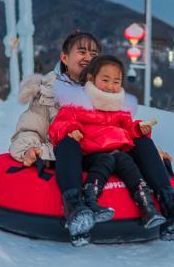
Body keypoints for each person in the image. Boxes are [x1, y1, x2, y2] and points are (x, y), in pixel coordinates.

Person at [9, 31, 174, 244]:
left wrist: (153, 151)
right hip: (70, 157)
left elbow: (122, 129)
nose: (88, 57)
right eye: (81, 51)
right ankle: (73, 207)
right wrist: (32, 149)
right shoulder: (47, 94)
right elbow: (28, 130)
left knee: (142, 141)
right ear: (64, 58)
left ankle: (170, 205)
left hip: (110, 154)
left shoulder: (105, 90)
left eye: (93, 53)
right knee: (69, 142)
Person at [48, 55, 166, 244]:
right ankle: (75, 205)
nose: (111, 86)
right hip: (89, 154)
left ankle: (160, 203)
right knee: (83, 151)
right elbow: (57, 127)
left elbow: (128, 130)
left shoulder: (121, 111)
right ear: (91, 78)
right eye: (105, 80)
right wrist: (71, 130)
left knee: (128, 154)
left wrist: (138, 129)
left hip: (118, 155)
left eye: (116, 81)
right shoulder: (77, 105)